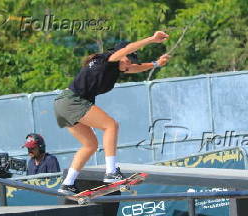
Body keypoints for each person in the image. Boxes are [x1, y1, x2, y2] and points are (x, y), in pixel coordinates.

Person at [54, 31, 170, 194]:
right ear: (121, 54)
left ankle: (68, 183)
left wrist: (156, 64)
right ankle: (111, 172)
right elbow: (129, 48)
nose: (128, 65)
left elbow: (136, 68)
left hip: (63, 104)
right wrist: (152, 39)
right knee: (110, 125)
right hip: (73, 101)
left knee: (90, 145)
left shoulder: (114, 66)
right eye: (128, 60)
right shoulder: (108, 58)